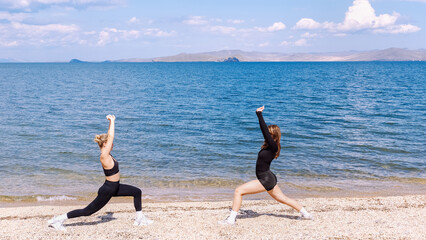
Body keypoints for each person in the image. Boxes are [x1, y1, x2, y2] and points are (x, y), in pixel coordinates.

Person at [48, 115, 153, 230]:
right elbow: (111, 136)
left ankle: (139, 218)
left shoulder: (107, 154)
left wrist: (109, 124)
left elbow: (109, 136)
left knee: (137, 192)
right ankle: (57, 220)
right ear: (104, 144)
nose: (112, 145)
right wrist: (112, 121)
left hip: (115, 186)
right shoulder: (104, 156)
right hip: (108, 189)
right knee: (87, 211)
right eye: (109, 143)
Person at [219, 106, 313, 225]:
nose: (265, 136)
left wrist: (259, 114)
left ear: (272, 136)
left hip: (265, 179)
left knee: (239, 191)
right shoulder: (270, 147)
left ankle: (231, 220)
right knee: (283, 199)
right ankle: (306, 214)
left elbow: (263, 130)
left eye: (268, 134)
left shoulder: (273, 146)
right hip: (268, 177)